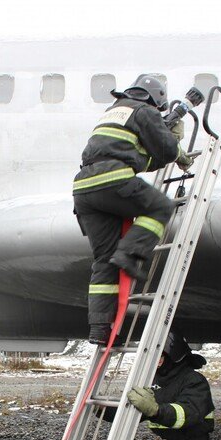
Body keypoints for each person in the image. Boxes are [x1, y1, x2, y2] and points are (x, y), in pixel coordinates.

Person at [73, 74, 196, 345]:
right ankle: (129, 255)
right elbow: (164, 151)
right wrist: (178, 147)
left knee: (103, 260)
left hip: (84, 188)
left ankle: (99, 329)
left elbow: (139, 158)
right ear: (156, 100)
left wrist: (165, 146)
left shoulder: (114, 112)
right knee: (161, 208)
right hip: (112, 180)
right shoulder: (144, 111)